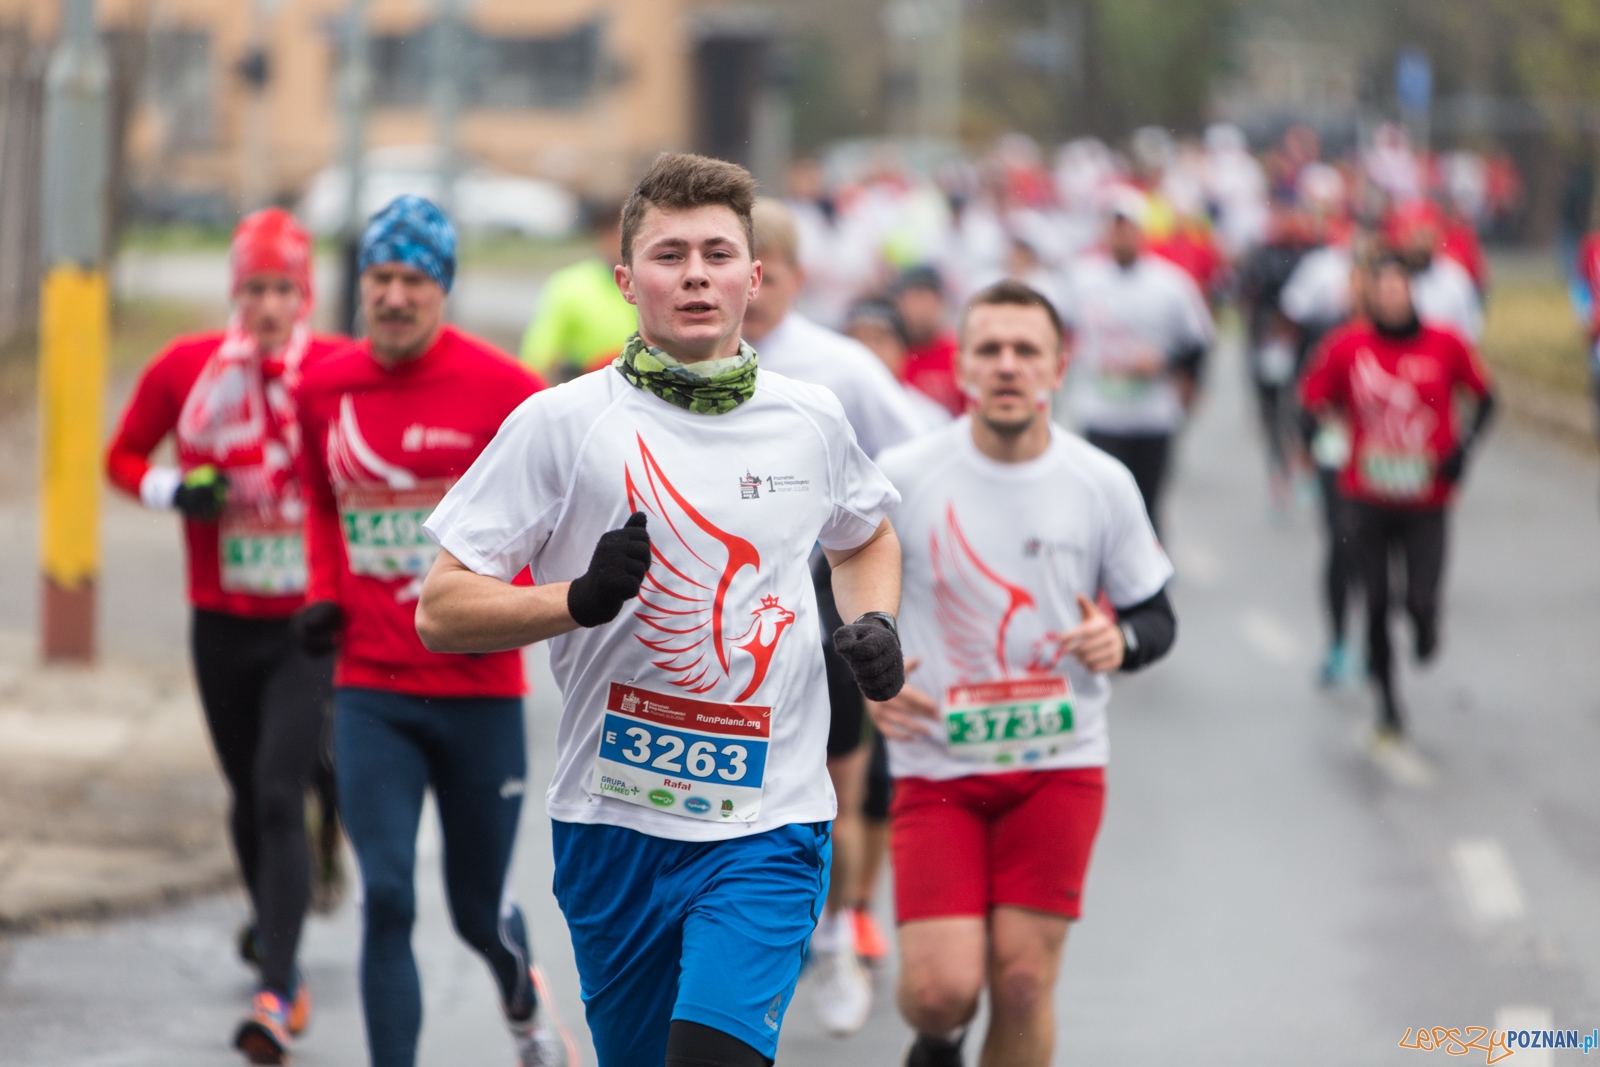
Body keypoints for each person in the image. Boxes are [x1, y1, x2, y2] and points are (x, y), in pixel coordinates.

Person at [415, 152, 908, 1067]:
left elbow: (866, 535)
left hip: (769, 821)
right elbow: (441, 607)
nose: (695, 274)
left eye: (718, 253)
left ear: (753, 277)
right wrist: (578, 598)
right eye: (669, 253)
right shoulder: (562, 423)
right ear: (623, 281)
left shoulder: (811, 418)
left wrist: (875, 622)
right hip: (614, 822)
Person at [870, 279, 1177, 1067]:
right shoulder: (900, 476)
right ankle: (937, 1042)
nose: (1008, 365)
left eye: (1026, 350)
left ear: (1058, 367)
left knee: (1023, 980)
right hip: (937, 761)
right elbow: (825, 593)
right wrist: (865, 682)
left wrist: (1121, 642)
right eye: (990, 350)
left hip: (1060, 762)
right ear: (962, 367)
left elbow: (1156, 615)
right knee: (942, 988)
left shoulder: (1100, 480)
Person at [293, 195, 570, 1067]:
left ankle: (519, 989)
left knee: (474, 907)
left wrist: (523, 601)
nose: (395, 296)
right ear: (360, 285)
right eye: (380, 277)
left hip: (479, 692)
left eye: (414, 278)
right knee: (387, 895)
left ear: (442, 286)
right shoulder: (321, 387)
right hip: (371, 683)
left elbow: (552, 514)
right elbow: (316, 498)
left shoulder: (507, 394)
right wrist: (323, 589)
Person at [105, 208, 342, 1064]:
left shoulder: (333, 368)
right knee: (250, 792)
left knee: (279, 789)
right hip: (222, 617)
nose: (270, 305)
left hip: (307, 622)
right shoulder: (187, 369)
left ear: (304, 292)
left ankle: (277, 984)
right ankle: (280, 909)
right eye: (255, 289)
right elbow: (122, 456)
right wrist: (178, 490)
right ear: (234, 292)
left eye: (285, 288)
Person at [743, 197, 925, 1036]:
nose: (745, 293)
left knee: (836, 796)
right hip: (731, 619)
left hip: (824, 604)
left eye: (764, 276)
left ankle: (841, 942)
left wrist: (894, 568)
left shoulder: (836, 367)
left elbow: (922, 449)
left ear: (791, 276)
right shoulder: (690, 358)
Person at [1300, 250, 1495, 738]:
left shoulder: (1446, 344)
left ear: (1412, 292)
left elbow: (1486, 400)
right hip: (1366, 495)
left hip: (1427, 499)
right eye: (1380, 289)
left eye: (1398, 288)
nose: (1389, 297)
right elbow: (1311, 402)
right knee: (1378, 602)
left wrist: (1461, 453)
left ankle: (1427, 629)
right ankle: (1388, 703)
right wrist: (1320, 446)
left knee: (1420, 600)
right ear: (1370, 296)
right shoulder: (1347, 346)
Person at [1060, 190, 1214, 531]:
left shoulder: (1170, 283)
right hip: (1099, 411)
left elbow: (1198, 342)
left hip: (1152, 415)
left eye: (1127, 227)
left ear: (1141, 232)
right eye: (1114, 227)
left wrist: (1166, 363)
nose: (1120, 235)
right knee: (1102, 509)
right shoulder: (1082, 279)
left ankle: (1150, 578)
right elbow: (1058, 332)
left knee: (1147, 507)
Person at [520, 198, 637, 383]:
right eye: (624, 237)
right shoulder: (570, 286)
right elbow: (537, 359)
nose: (632, 247)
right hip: (591, 398)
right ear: (604, 236)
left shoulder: (660, 286)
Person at [843, 298, 954, 433]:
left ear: (902, 350)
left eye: (879, 340)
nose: (868, 349)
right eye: (858, 339)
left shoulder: (931, 420)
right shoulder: (829, 412)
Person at [895, 265, 966, 417]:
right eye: (911, 299)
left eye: (924, 298)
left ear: (940, 302)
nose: (918, 309)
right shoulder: (894, 354)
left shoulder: (958, 354)